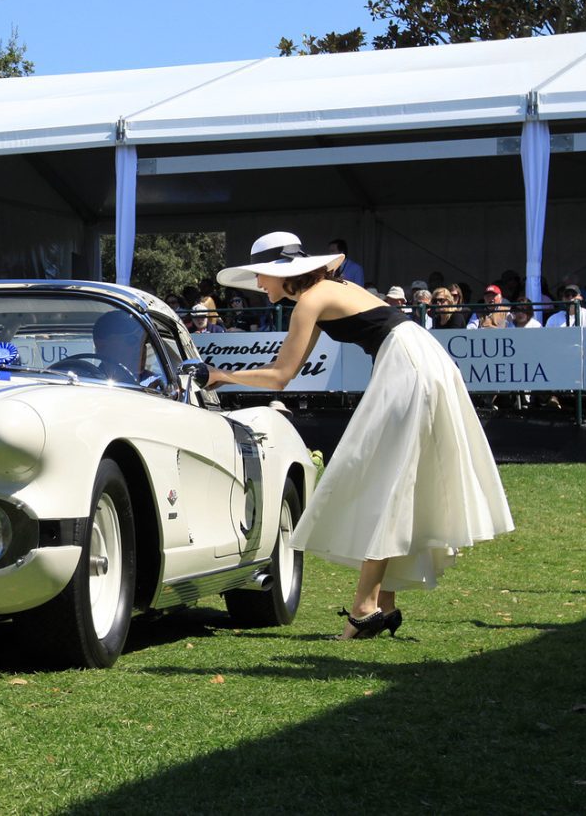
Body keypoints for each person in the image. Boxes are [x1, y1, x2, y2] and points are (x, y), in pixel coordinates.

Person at [209, 232, 513, 640]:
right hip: (417, 358)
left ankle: (366, 607)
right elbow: (287, 371)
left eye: (261, 275)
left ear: (282, 273)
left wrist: (219, 375)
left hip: (408, 365)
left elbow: (281, 376)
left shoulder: (311, 300)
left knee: (383, 481)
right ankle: (382, 602)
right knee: (394, 481)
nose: (259, 284)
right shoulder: (324, 291)